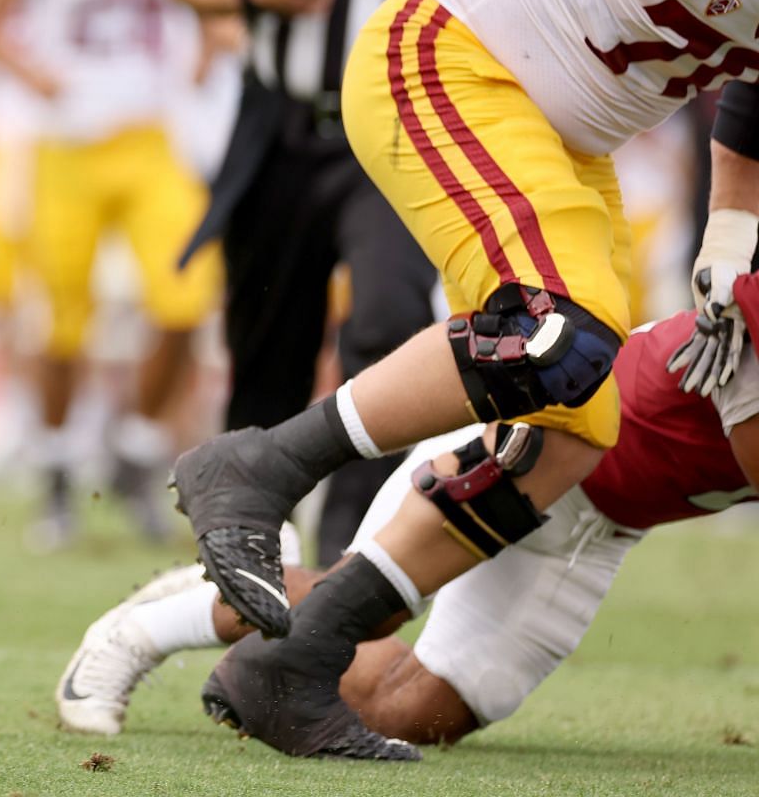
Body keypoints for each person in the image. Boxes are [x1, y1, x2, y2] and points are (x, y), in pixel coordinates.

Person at [161, 0, 759, 756]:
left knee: (577, 425)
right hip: (449, 54)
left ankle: (299, 659)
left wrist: (731, 219)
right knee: (554, 334)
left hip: (564, 133)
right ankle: (258, 465)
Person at [54, 286, 759, 747]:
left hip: (611, 524)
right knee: (371, 613)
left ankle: (257, 594)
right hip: (539, 446)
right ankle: (157, 624)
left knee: (405, 709)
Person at [169, 0, 495, 565]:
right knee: (265, 348)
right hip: (279, 122)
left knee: (391, 322)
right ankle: (243, 559)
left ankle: (352, 543)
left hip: (395, 135)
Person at [0, 0, 220, 547]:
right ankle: (53, 467)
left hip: (154, 135)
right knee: (60, 324)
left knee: (187, 299)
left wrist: (213, 47)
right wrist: (38, 76)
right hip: (65, 140)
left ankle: (135, 449)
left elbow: (216, 5)